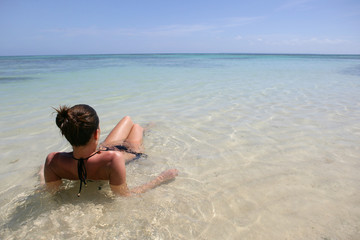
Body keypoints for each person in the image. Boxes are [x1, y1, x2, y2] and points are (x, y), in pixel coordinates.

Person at [43, 104, 178, 196]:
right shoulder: (114, 159)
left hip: (102, 149)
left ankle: (145, 128)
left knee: (127, 119)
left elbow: (52, 192)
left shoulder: (52, 161)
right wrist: (160, 178)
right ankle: (145, 128)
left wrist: (41, 174)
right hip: (129, 152)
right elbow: (125, 195)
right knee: (136, 127)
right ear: (97, 134)